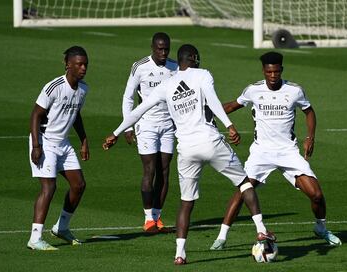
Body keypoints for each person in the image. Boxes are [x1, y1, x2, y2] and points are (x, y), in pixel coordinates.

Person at [103, 44, 275, 265]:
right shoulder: (203, 75)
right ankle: (261, 230)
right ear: (193, 58)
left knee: (186, 202)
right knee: (244, 184)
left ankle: (180, 254)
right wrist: (229, 124)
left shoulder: (166, 85)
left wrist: (116, 133)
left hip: (186, 149)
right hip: (210, 141)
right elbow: (212, 99)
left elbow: (139, 109)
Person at [210, 51, 342, 250]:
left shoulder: (295, 90)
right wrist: (206, 111)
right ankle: (221, 237)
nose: (273, 76)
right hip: (261, 152)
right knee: (242, 191)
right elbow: (232, 106)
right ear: (264, 71)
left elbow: (309, 111)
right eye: (269, 72)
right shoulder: (253, 90)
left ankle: (321, 228)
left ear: (282, 70)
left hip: (288, 152)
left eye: (277, 72)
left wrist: (310, 137)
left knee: (316, 194)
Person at [27, 46, 89, 250]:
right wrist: (36, 145)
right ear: (68, 65)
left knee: (79, 184)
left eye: (85, 64)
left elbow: (76, 114)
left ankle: (61, 228)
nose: (83, 68)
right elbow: (35, 114)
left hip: (63, 143)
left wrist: (84, 139)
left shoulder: (83, 89)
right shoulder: (54, 87)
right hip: (45, 141)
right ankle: (35, 239)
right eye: (79, 64)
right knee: (49, 187)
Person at [121, 32, 178, 232]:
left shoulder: (175, 67)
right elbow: (128, 97)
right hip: (146, 125)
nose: (163, 53)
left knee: (165, 170)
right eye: (159, 49)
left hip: (169, 125)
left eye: (166, 49)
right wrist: (128, 126)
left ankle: (157, 217)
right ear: (152, 48)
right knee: (150, 169)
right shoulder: (140, 67)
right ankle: (148, 220)